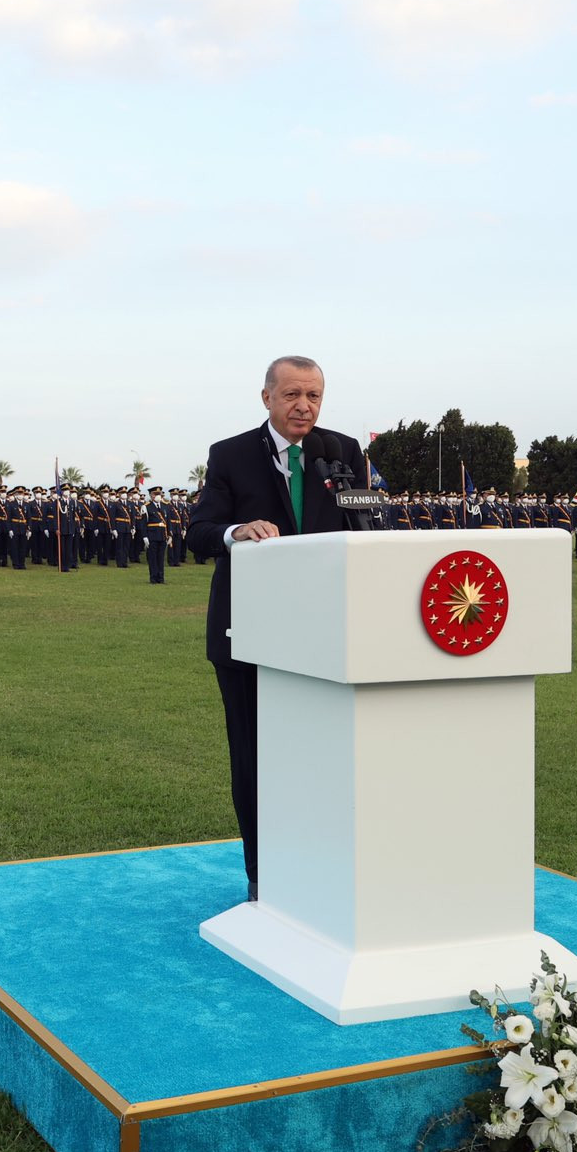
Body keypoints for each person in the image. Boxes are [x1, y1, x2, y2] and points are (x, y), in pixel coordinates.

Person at [185, 355, 366, 903]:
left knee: (325, 757)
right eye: (292, 395)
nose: (303, 406)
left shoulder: (343, 451)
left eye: (313, 396)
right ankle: (263, 876)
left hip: (328, 637)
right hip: (249, 636)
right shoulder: (231, 455)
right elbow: (198, 531)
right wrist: (237, 530)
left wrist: (369, 512)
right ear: (267, 397)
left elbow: (371, 519)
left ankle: (323, 867)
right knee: (255, 756)